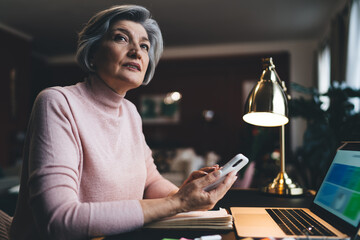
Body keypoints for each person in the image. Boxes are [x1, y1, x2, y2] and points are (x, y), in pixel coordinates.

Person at [9, 5, 237, 240]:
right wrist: (178, 202)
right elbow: (58, 220)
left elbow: (150, 181)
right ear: (93, 51)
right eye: (121, 38)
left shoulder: (130, 112)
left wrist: (187, 194)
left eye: (145, 46)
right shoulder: (57, 102)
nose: (136, 52)